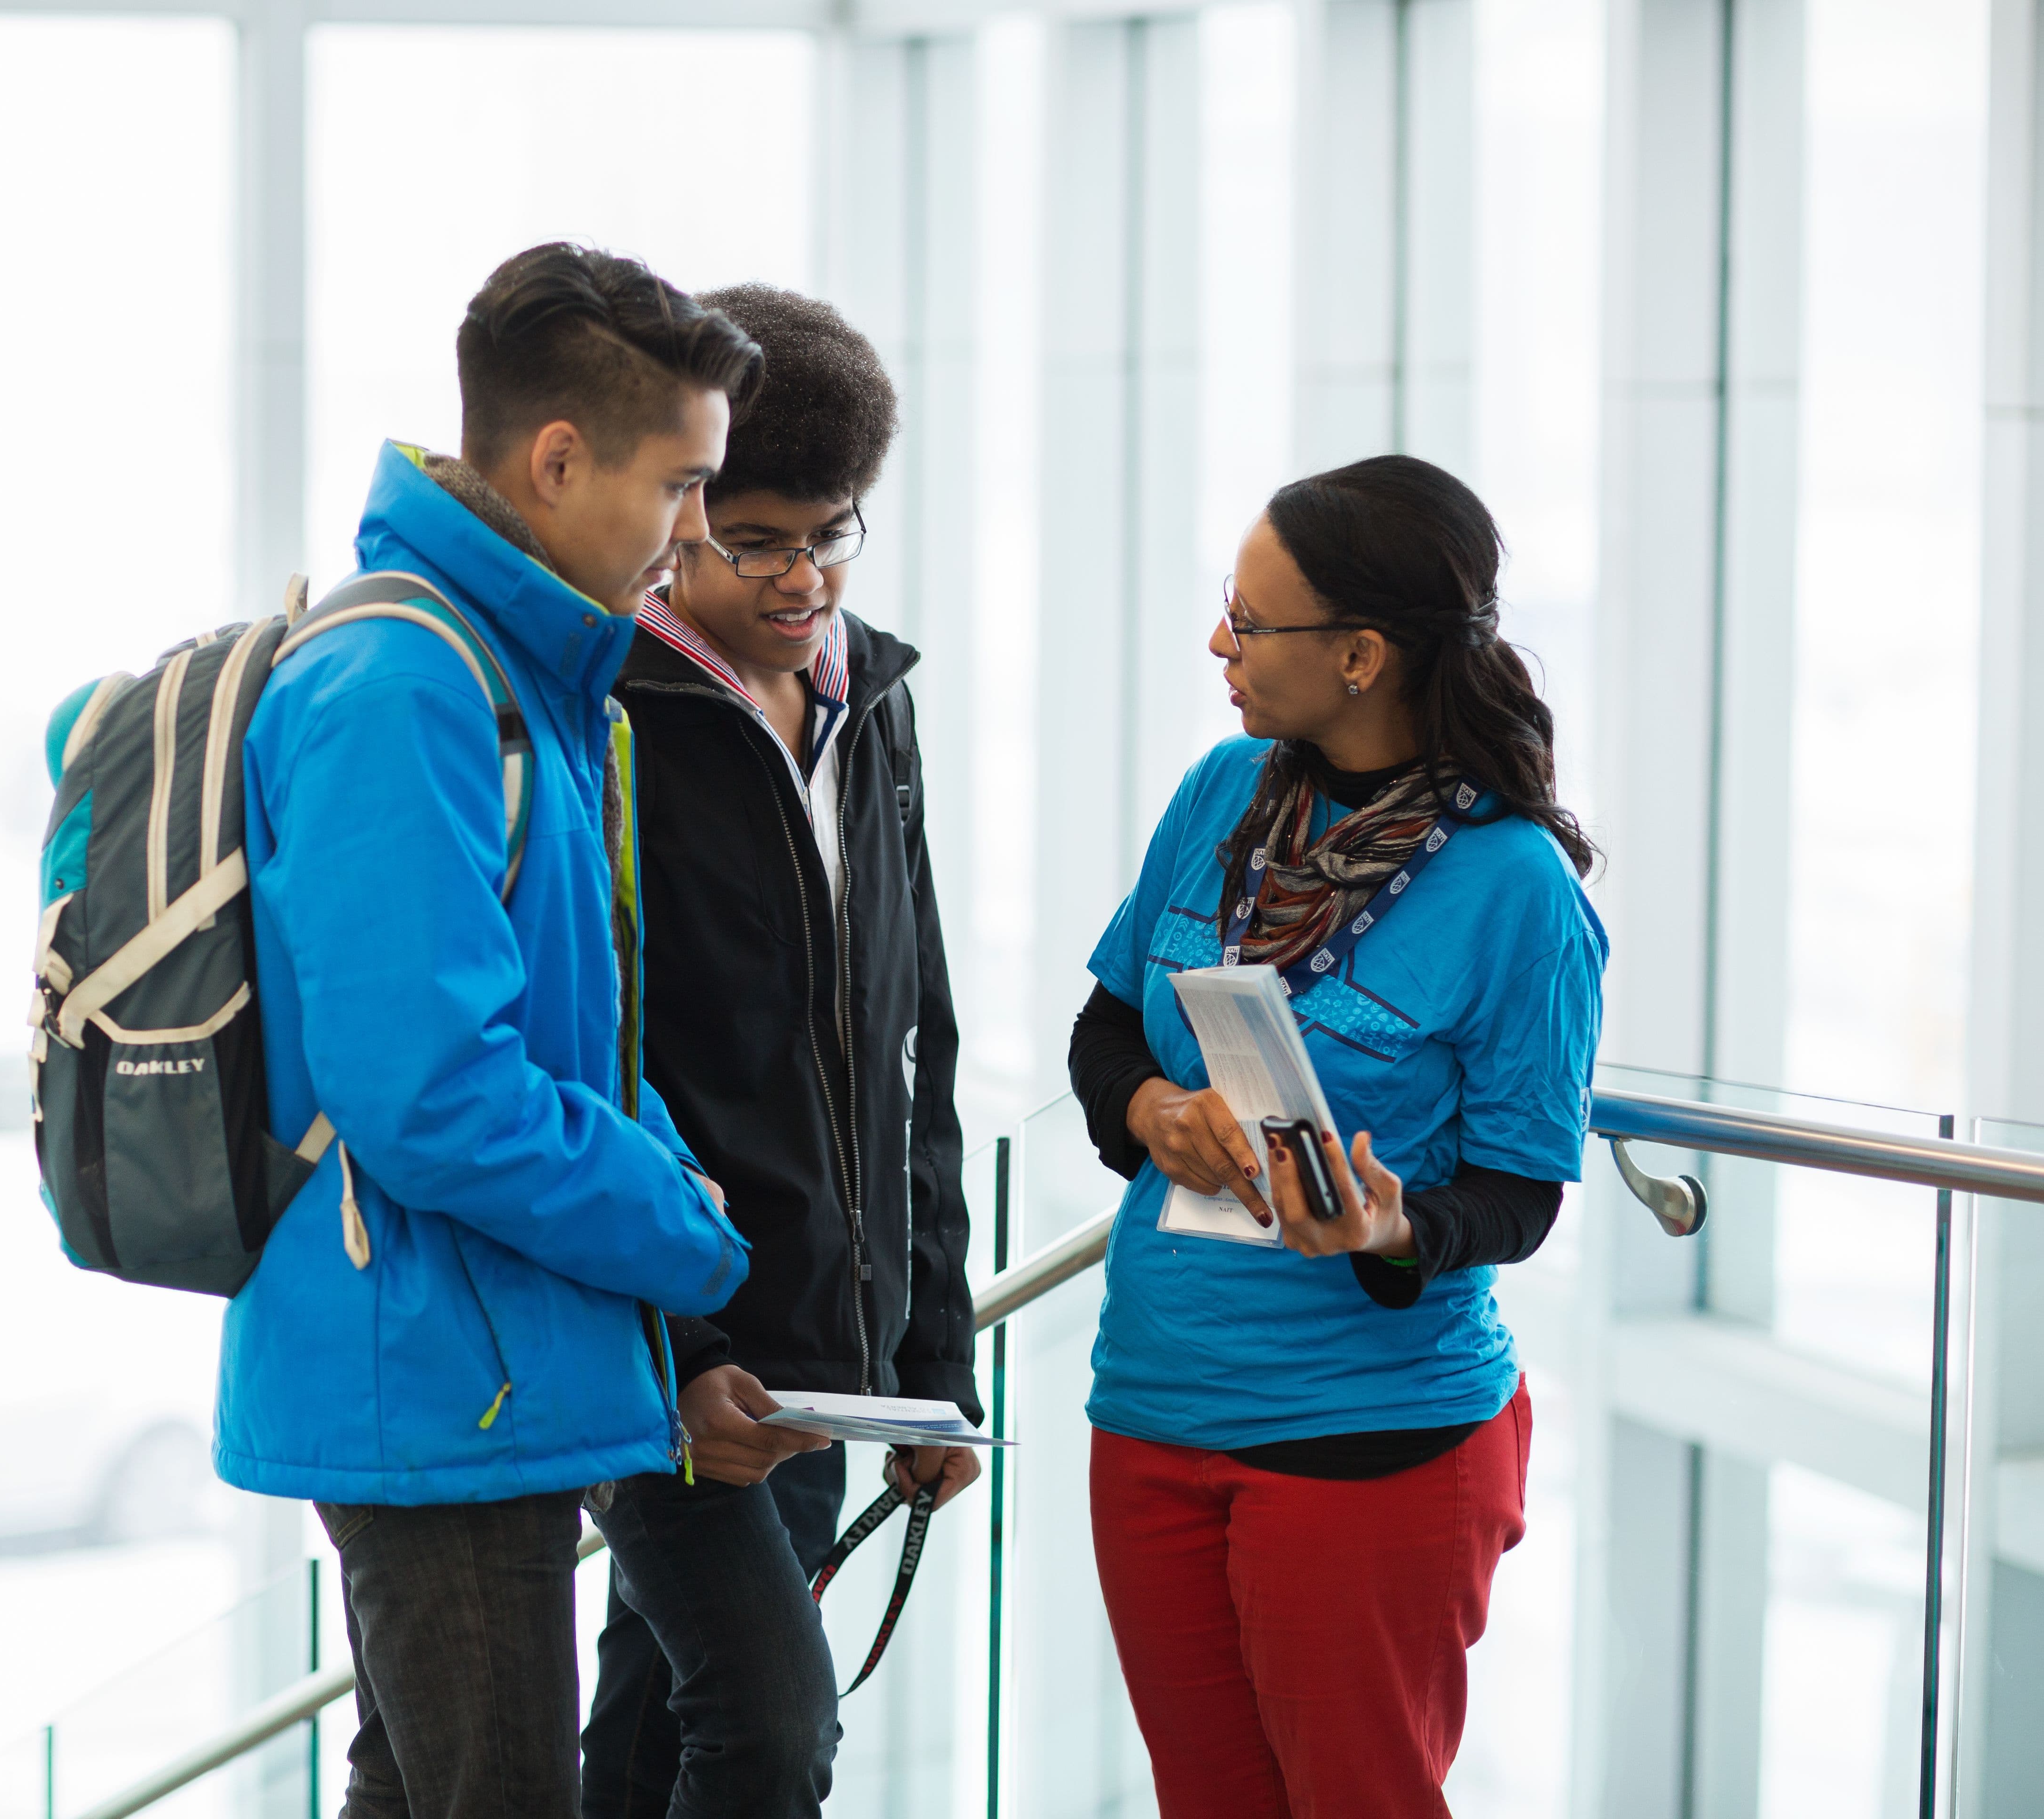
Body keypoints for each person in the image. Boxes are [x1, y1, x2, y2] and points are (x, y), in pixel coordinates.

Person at [217, 243, 762, 1819]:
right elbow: (435, 1095)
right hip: (438, 1369)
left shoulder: (520, 675)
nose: (693, 538)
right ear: (557, 457)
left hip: (474, 1357)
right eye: (681, 487)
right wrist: (688, 1231)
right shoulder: (408, 683)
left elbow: (572, 1043)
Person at [1067, 454, 1605, 1819]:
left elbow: (1521, 1191)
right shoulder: (1223, 793)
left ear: (1361, 654)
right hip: (1153, 1404)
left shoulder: (1516, 887)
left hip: (1371, 1442)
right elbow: (1104, 1032)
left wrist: (1388, 1229)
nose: (1219, 644)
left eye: (1249, 622)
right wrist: (1151, 1110)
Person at [585, 284, 978, 1819]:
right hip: (675, 1352)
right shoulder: (607, 710)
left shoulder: (868, 703)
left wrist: (931, 1359)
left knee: (648, 1731)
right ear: (677, 516)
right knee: (768, 1730)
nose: (804, 575)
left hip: (836, 1357)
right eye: (756, 538)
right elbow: (596, 1064)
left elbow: (914, 1051)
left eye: (834, 529)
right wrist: (682, 1359)